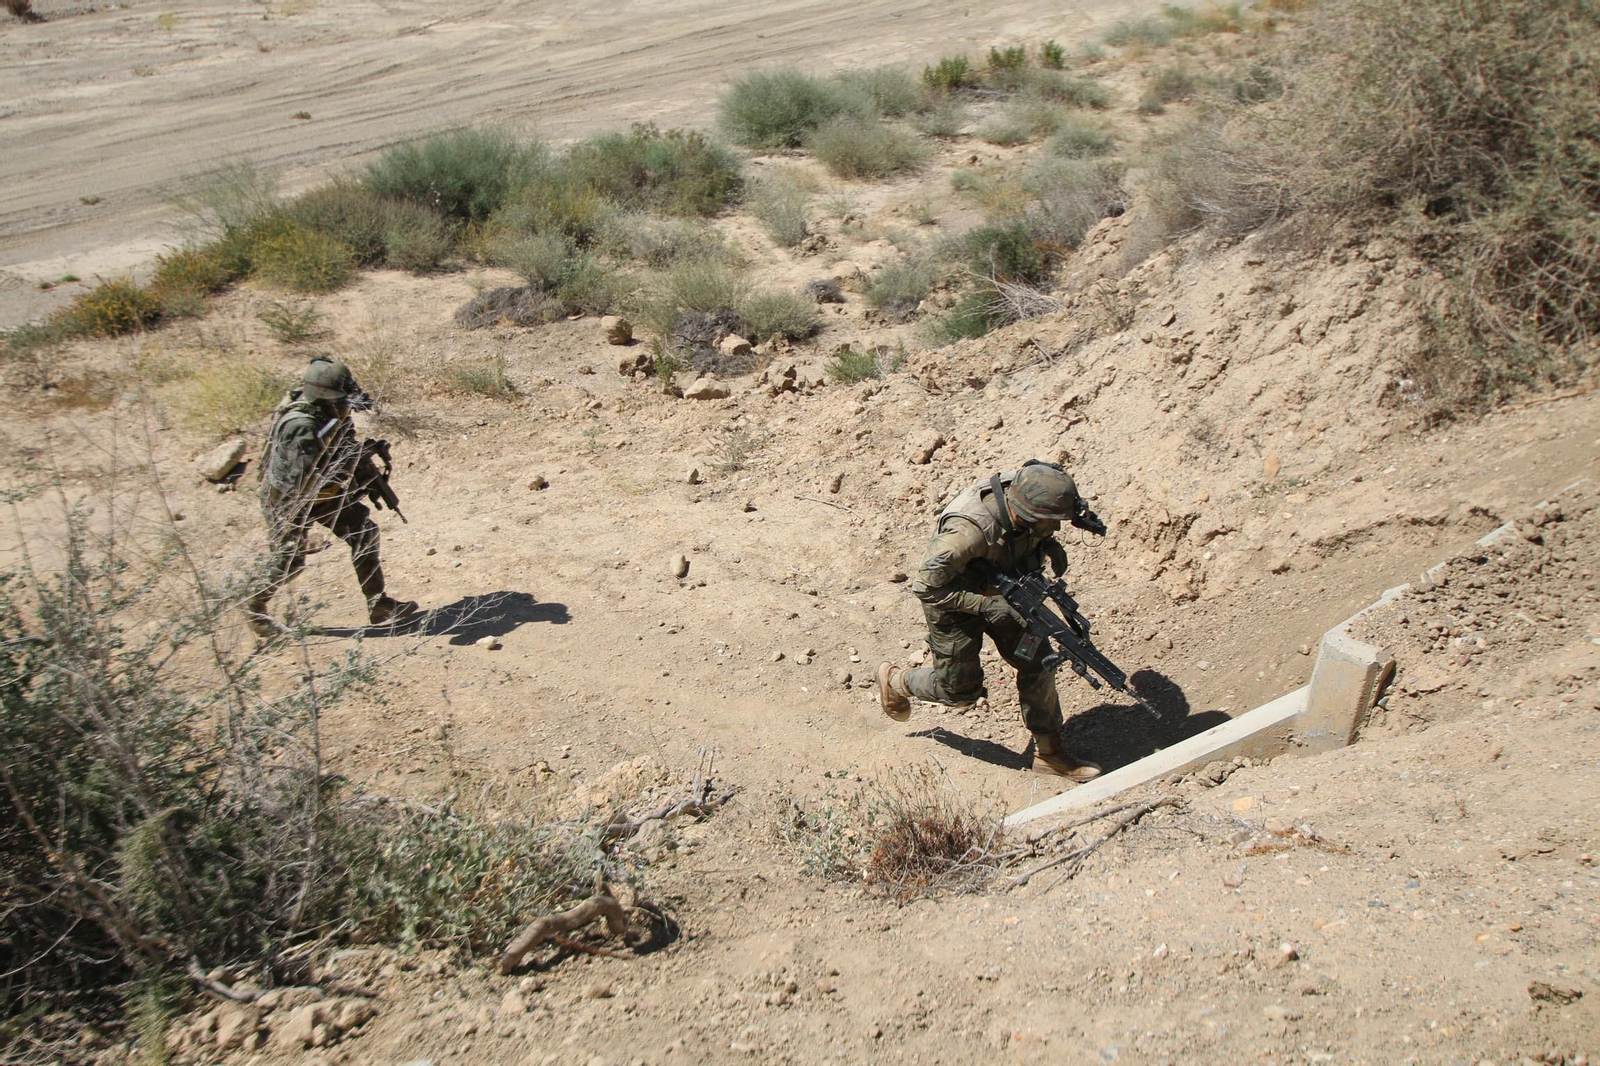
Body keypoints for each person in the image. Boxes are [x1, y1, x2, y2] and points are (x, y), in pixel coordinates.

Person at [877, 460, 1105, 781]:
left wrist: (1047, 543)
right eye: (1049, 524)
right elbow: (927, 587)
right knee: (959, 693)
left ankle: (1050, 754)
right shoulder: (966, 533)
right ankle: (897, 682)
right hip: (953, 596)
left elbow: (1030, 530)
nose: (1055, 529)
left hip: (1005, 586)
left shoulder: (1029, 491)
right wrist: (986, 606)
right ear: (1024, 514)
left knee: (1040, 661)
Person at [243, 357, 418, 637]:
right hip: (289, 500)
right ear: (322, 396)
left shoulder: (331, 411)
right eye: (338, 399)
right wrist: (348, 471)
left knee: (364, 532)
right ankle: (253, 605)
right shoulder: (301, 427)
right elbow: (304, 481)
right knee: (289, 561)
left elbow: (341, 444)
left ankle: (378, 603)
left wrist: (361, 465)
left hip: (322, 493)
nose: (343, 405)